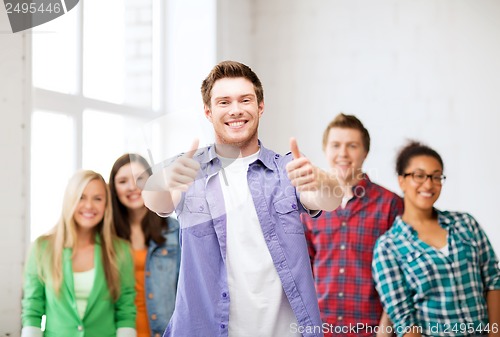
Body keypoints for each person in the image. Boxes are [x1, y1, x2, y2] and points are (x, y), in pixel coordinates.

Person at [142, 60, 343, 337]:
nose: (236, 110)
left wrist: (320, 179)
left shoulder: (287, 170)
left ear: (260, 107)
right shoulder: (189, 168)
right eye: (224, 102)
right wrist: (166, 180)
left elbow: (331, 199)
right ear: (208, 111)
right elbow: (155, 201)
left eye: (245, 100)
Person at [372, 141, 500, 337]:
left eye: (436, 176)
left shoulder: (466, 224)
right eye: (419, 175)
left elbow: (493, 280)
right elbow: (404, 321)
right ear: (401, 180)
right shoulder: (388, 247)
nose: (429, 184)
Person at [302, 113, 403, 337]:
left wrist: (384, 330)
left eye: (352, 146)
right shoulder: (311, 205)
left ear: (365, 152)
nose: (343, 154)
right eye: (336, 145)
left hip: (371, 330)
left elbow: (400, 274)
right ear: (325, 149)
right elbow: (304, 271)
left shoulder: (390, 204)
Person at [21, 170, 136, 337]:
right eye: (81, 197)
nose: (89, 205)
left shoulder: (121, 250)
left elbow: (125, 310)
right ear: (69, 200)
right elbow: (33, 308)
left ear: (106, 205)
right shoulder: (42, 248)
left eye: (97, 199)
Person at [109, 153, 180, 337]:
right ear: (113, 188)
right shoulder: (107, 235)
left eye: (140, 179)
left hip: (165, 331)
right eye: (123, 181)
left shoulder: (173, 230)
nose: (132, 187)